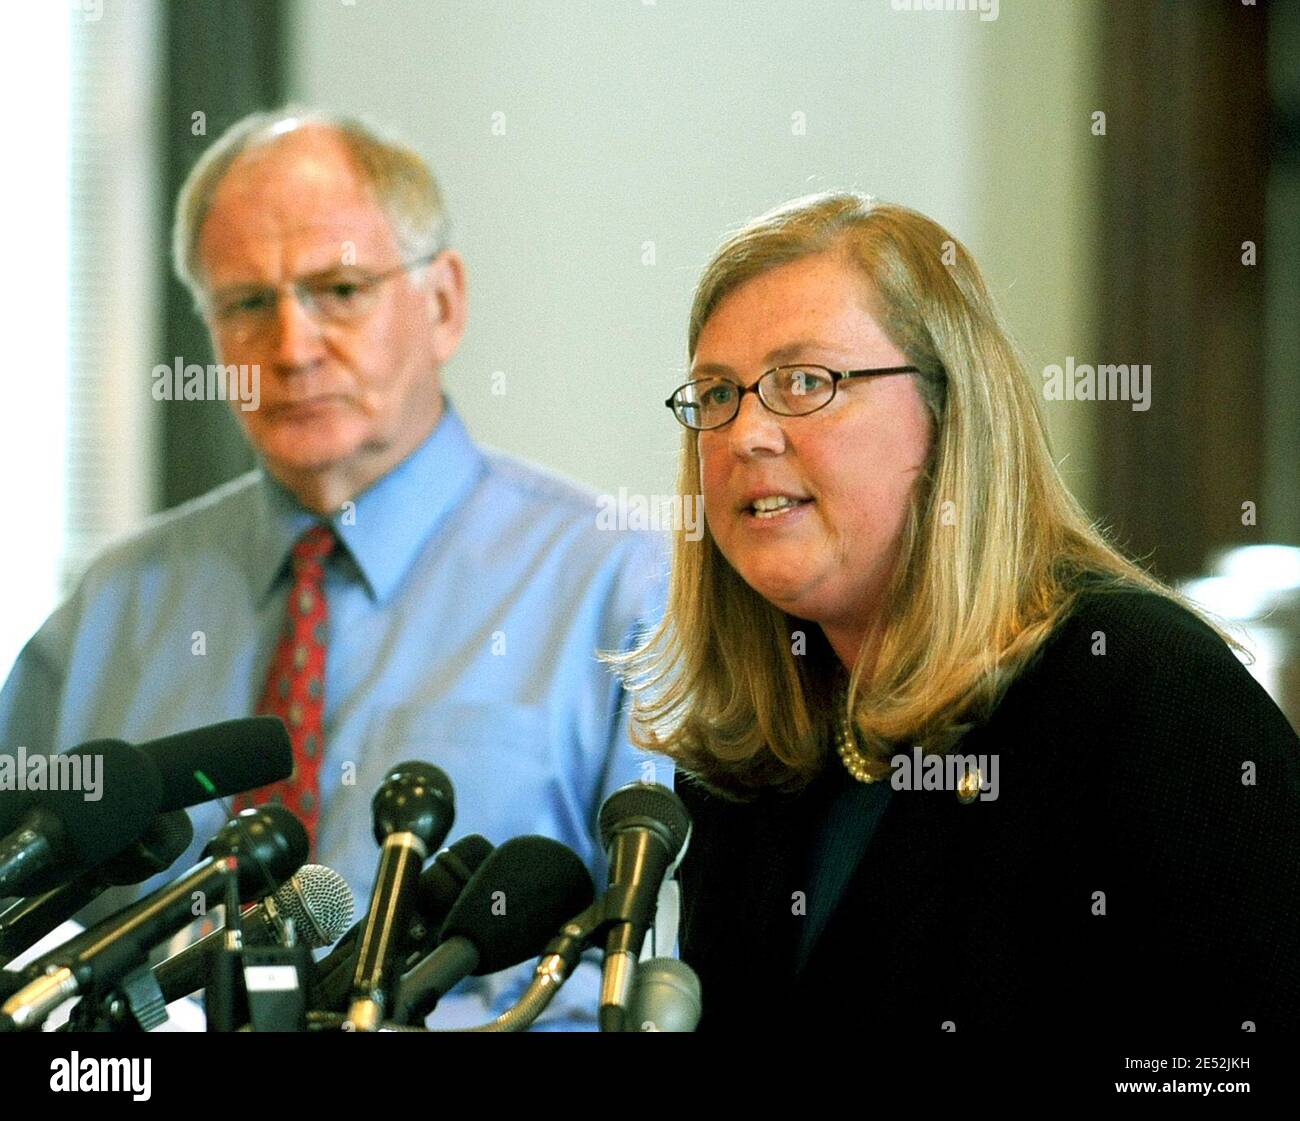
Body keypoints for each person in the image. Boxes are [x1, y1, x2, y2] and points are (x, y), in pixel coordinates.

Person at [0, 108, 666, 1030]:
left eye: (340, 290)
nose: (292, 346)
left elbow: (658, 973)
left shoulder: (620, 588)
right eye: (246, 304)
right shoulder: (112, 609)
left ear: (443, 304)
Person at [619, 191, 1300, 1035]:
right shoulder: (748, 757)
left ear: (948, 415)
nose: (746, 433)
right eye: (717, 394)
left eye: (804, 382)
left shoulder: (1145, 688)